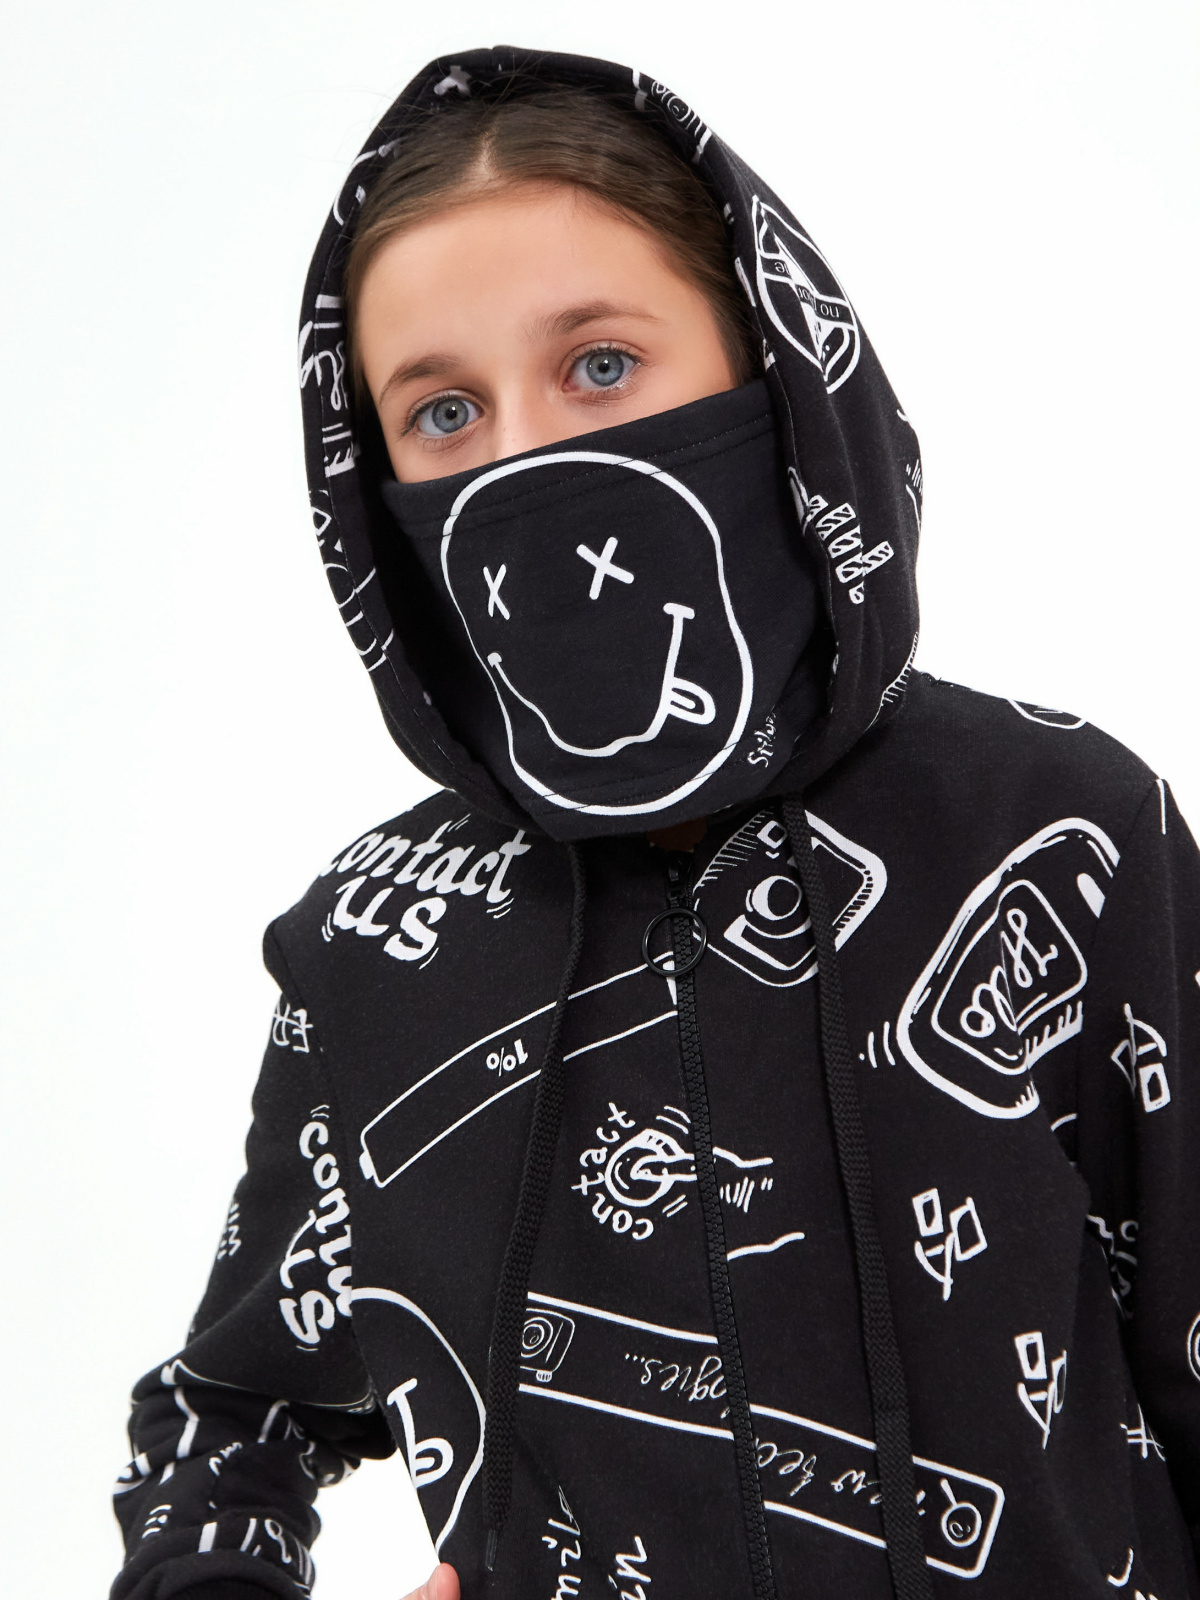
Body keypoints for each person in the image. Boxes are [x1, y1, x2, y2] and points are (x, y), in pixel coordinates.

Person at [110, 45, 1200, 1600]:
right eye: (443, 410)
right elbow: (230, 1412)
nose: (528, 463)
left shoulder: (1060, 830)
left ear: (770, 364)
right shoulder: (375, 941)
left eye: (603, 366)